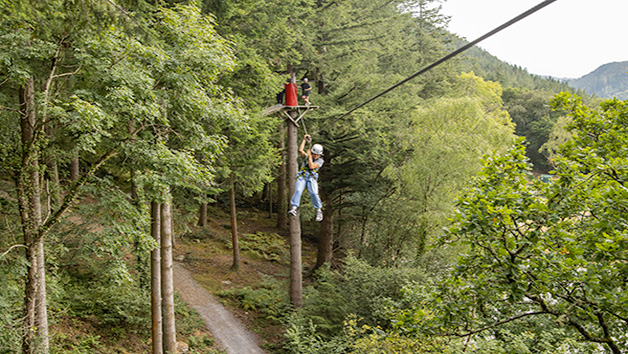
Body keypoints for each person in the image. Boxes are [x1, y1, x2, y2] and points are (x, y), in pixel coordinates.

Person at [288, 134, 324, 222]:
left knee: (314, 193)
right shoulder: (308, 156)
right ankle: (294, 208)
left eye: (317, 155)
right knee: (298, 190)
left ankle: (318, 210)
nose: (315, 156)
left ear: (320, 155)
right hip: (303, 176)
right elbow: (300, 150)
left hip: (312, 178)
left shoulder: (320, 161)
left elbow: (311, 166)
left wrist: (309, 156)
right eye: (314, 154)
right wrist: (304, 140)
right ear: (312, 152)